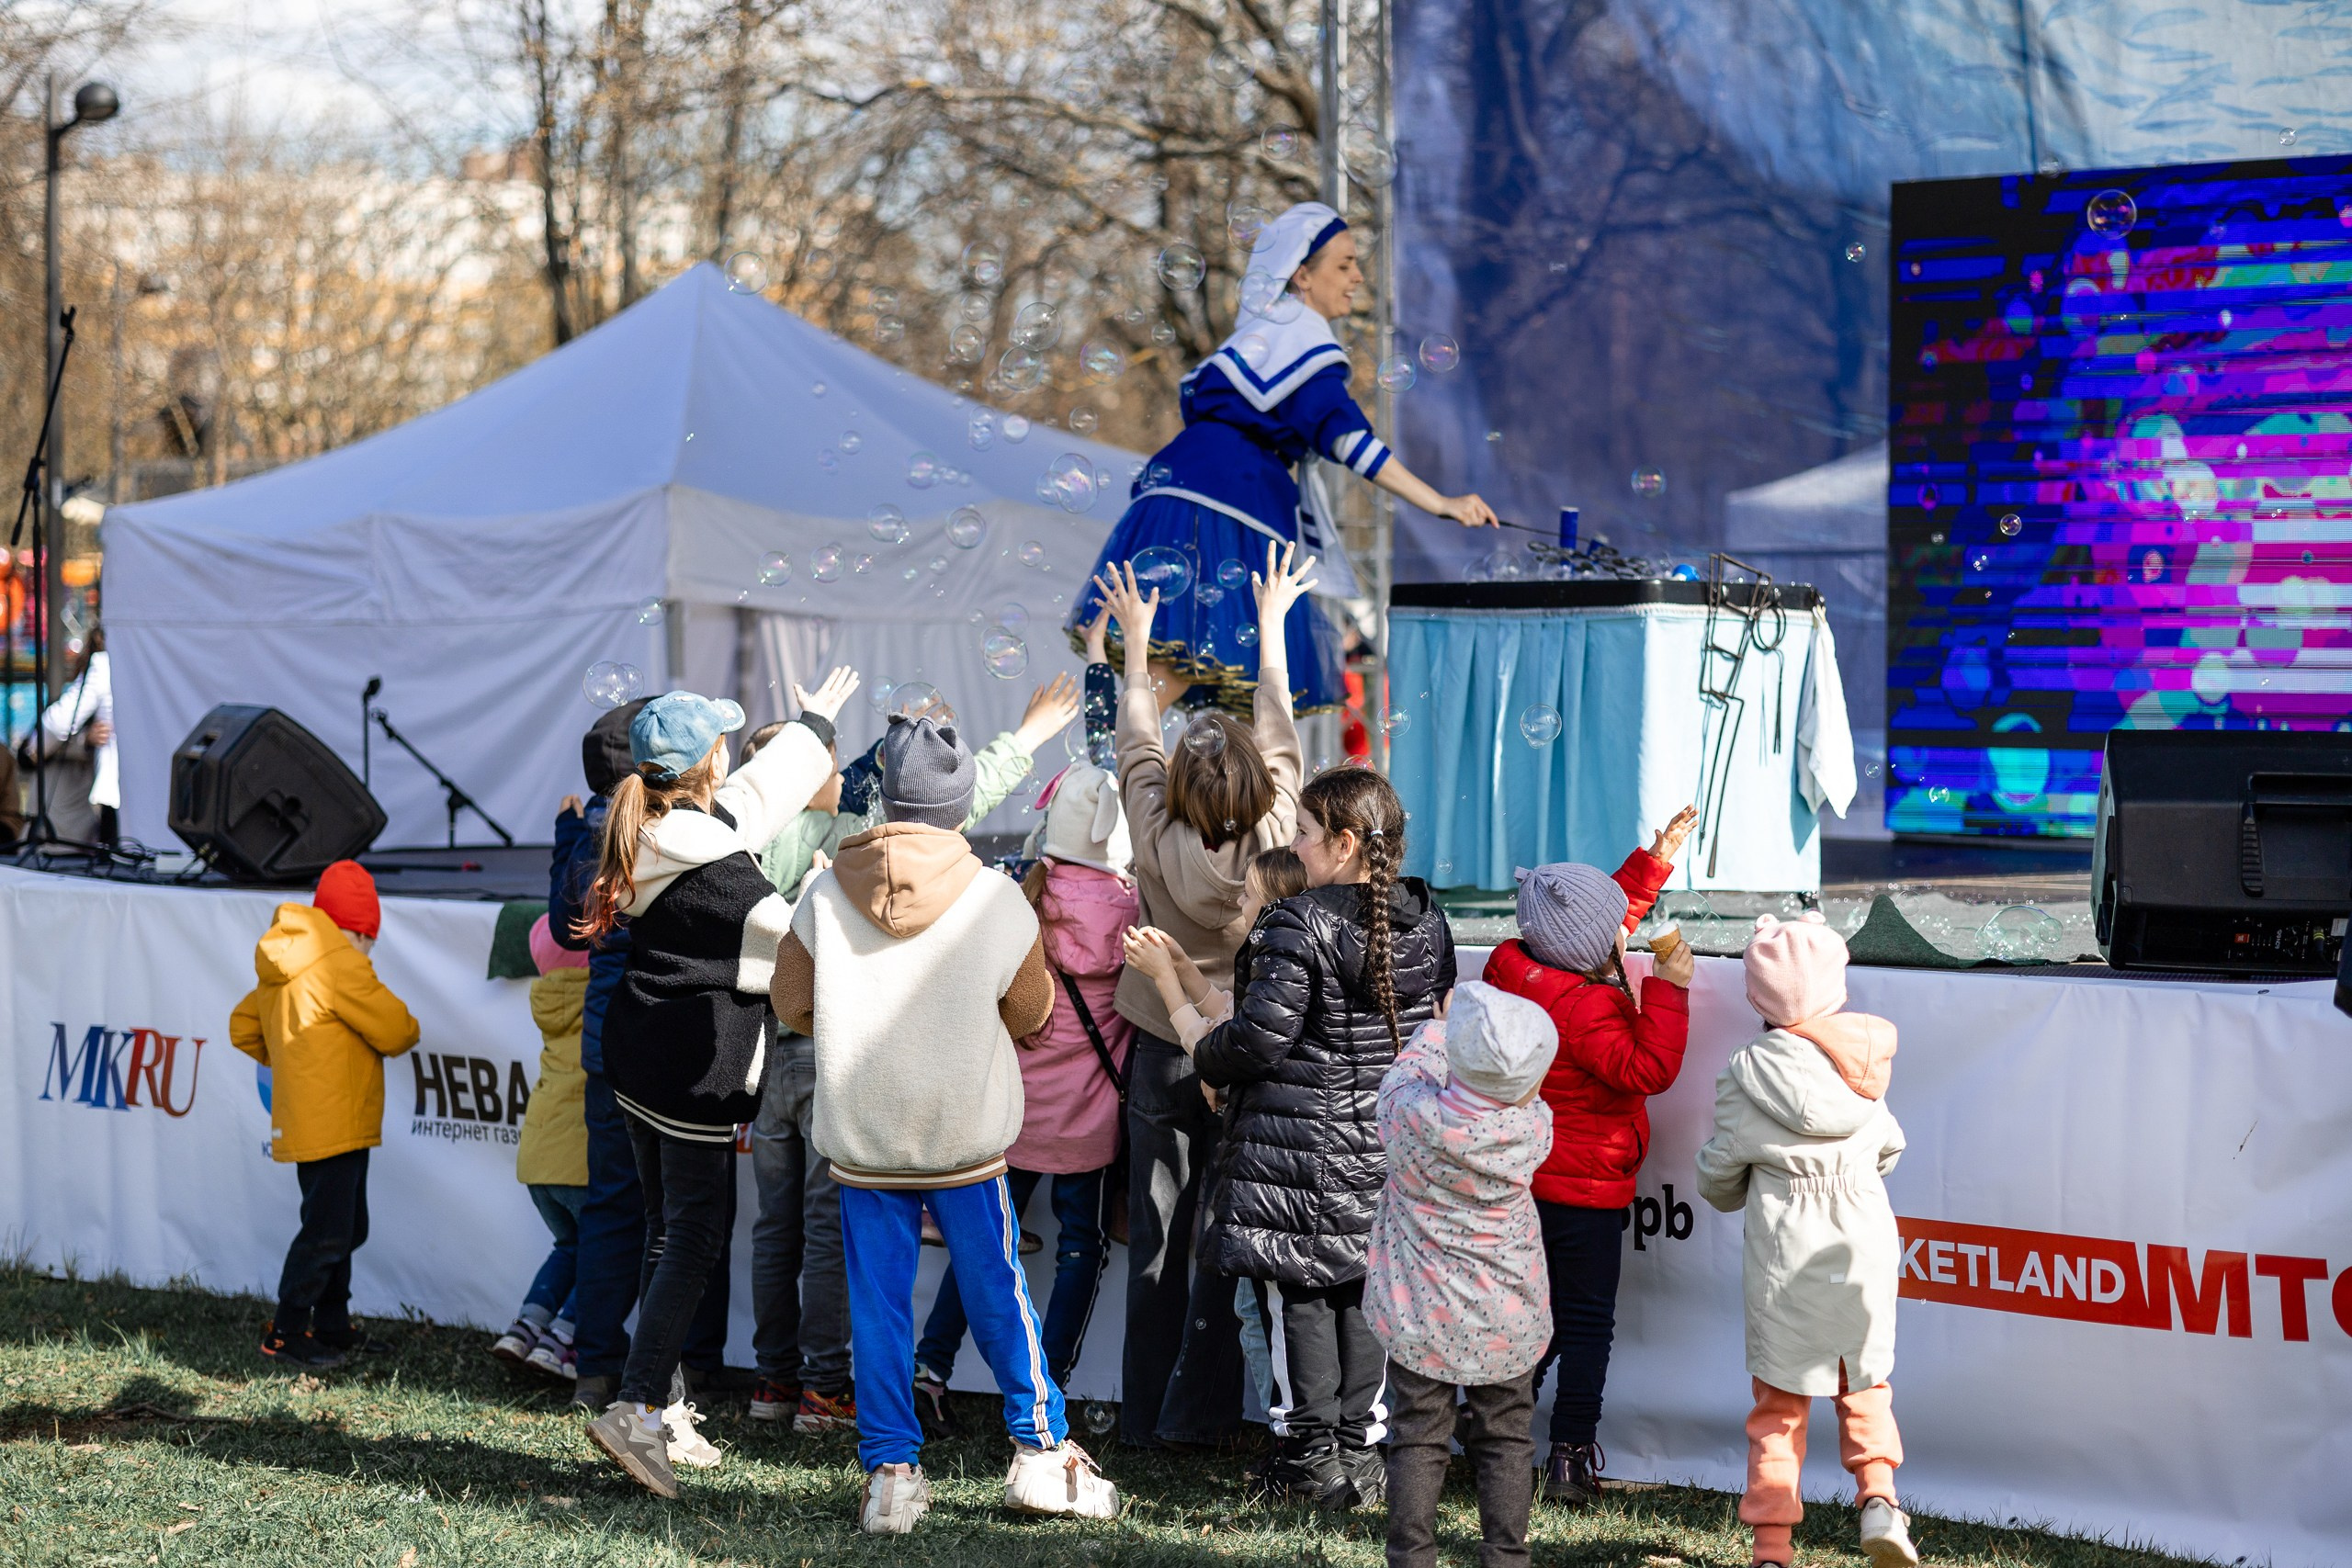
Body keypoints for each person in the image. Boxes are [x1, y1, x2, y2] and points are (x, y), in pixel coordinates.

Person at [772, 713, 1119, 1533]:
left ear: (885, 794)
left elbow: (790, 1002)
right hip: (964, 1135)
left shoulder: (825, 891)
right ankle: (1042, 1453)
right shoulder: (996, 899)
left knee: (879, 1306)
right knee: (999, 1291)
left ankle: (891, 1474)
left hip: (865, 1135)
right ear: (962, 809)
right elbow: (1031, 1010)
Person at [578, 672, 857, 1499]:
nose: (732, 752)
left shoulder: (661, 825)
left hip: (640, 1059)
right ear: (706, 762)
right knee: (693, 1236)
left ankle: (659, 1400)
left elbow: (753, 797)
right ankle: (634, 1410)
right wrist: (822, 889)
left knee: (666, 1228)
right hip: (691, 1072)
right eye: (722, 741)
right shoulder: (724, 870)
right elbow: (791, 940)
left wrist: (812, 723)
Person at [1064, 201, 1498, 716]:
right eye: (1344, 264)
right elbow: (1350, 442)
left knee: (1197, 676)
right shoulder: (1305, 341)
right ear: (1302, 276)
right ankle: (1113, 771)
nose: (1359, 276)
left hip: (1192, 487)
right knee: (1182, 670)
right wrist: (1440, 502)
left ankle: (1122, 764)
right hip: (1229, 500)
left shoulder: (1268, 334)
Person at [1095, 540, 1314, 1450]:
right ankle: (1209, 1414)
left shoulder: (1151, 823)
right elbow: (1279, 729)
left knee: (1155, 1241)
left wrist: (1138, 647)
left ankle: (1146, 1420)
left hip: (1159, 1038)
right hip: (1247, 1045)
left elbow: (1138, 738)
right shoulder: (1276, 831)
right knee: (1231, 1237)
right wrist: (1271, 626)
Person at [1192, 765, 1457, 1509]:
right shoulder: (1426, 920)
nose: (1295, 848)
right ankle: (1356, 1457)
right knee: (1357, 1291)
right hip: (1382, 1146)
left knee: (1295, 1297)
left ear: (1343, 843)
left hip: (1295, 1152)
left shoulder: (1297, 922)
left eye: (1304, 834)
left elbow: (1258, 1040)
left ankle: (1312, 1457)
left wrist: (1203, 1054)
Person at [1476, 807, 1699, 1502]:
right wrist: (1671, 988)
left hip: (1525, 1181)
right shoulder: (1589, 1008)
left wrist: (1650, 863)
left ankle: (1488, 1427)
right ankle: (1569, 1453)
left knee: (1524, 1315)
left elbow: (1587, 924)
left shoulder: (1514, 965)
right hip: (1587, 1191)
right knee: (1585, 1321)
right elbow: (1647, 1069)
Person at [912, 759, 1137, 1425]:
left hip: (1013, 1113)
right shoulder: (1132, 909)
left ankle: (931, 1366)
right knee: (1081, 1249)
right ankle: (1052, 1378)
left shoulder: (1019, 898)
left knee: (985, 1243)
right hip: (1089, 1122)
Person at [1696, 913, 1917, 1568]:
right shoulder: (1863, 1061)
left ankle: (1771, 1549)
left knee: (1779, 1410)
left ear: (1758, 995)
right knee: (1866, 1384)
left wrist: (1746, 1179)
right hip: (1861, 1249)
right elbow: (1891, 1147)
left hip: (1785, 1257)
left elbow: (1720, 1174)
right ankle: (1879, 1499)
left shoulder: (1744, 1072)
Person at [547, 702, 739, 1417]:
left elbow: (564, 924)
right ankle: (695, 1371)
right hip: (672, 1047)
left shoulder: (601, 831)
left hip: (612, 1048)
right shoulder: (684, 834)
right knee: (692, 1218)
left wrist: (566, 832)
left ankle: (597, 1371)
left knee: (621, 1211)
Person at [1367, 983, 1558, 1568]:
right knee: (1505, 1440)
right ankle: (1506, 1556)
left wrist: (1436, 1029)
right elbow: (1511, 1084)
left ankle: (1411, 1556)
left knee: (1418, 1438)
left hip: (1419, 1317)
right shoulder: (1533, 1129)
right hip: (1507, 1319)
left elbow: (1403, 1073)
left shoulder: (1405, 1115)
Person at [229, 860, 420, 1369]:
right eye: (369, 942)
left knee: (341, 1224)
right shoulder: (340, 963)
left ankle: (332, 1325)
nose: (369, 952)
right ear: (357, 929)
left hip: (310, 1121)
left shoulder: (285, 963)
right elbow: (398, 1031)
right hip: (339, 1123)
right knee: (329, 1231)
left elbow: (241, 1027)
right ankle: (286, 1332)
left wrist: (293, 1059)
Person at [490, 916, 593, 1382]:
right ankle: (562, 1339)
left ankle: (525, 1328)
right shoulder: (601, 999)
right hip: (580, 1159)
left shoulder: (551, 1002)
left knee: (569, 1246)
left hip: (538, 1157)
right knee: (604, 1251)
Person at [28, 626, 114, 845]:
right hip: (60, 829)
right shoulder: (67, 706)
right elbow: (30, 753)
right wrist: (83, 741)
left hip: (83, 826)